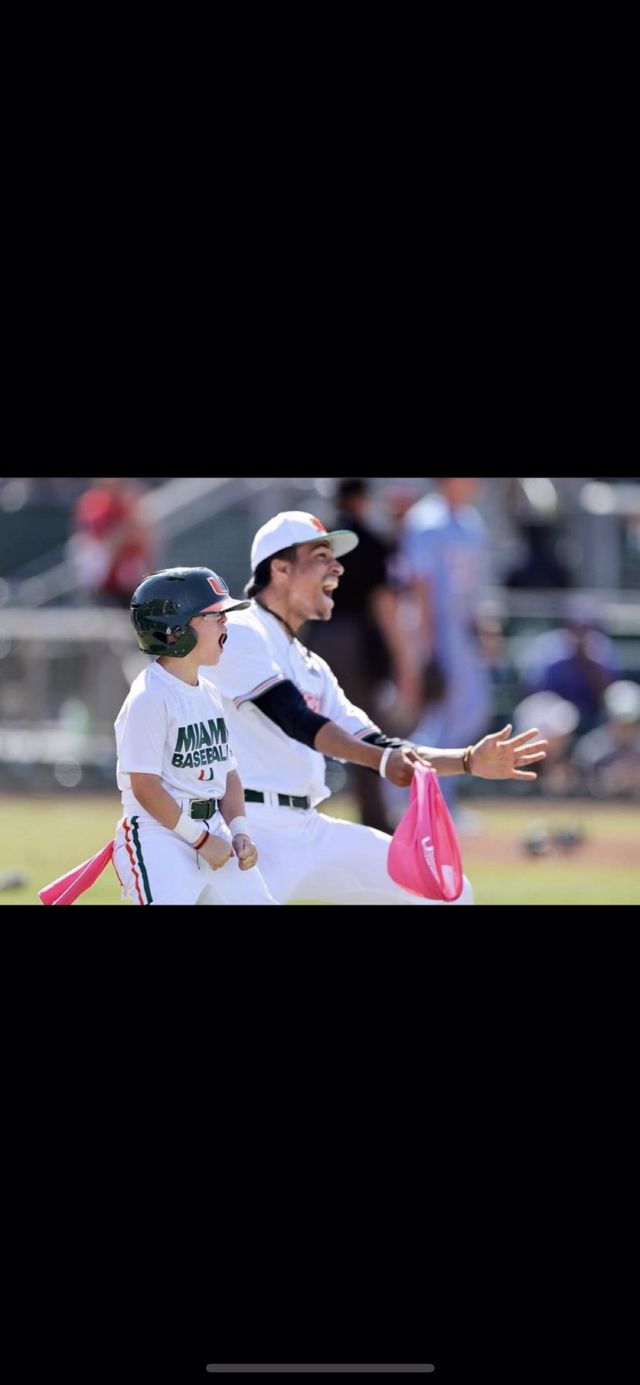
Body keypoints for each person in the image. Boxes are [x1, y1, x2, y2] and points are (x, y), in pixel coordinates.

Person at [200, 511, 548, 907]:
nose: (337, 567)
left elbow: (375, 741)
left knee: (444, 893)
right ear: (280, 568)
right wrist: (382, 761)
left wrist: (467, 760)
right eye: (320, 556)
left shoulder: (312, 666)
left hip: (309, 827)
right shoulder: (242, 629)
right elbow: (294, 717)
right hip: (249, 830)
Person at [111, 566, 277, 906]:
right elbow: (145, 786)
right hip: (159, 835)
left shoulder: (210, 693)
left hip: (213, 829)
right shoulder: (150, 696)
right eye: (214, 615)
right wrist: (200, 840)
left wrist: (240, 831)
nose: (225, 623)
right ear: (175, 630)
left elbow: (228, 774)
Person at [304, 478, 421, 831]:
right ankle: (375, 820)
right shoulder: (369, 540)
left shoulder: (314, 541)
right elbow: (384, 604)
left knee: (301, 726)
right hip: (356, 642)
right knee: (362, 730)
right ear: (362, 500)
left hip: (315, 636)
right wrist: (405, 662)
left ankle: (295, 813)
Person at [386, 477, 496, 820]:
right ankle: (409, 792)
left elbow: (474, 585)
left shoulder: (470, 521)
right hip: (435, 626)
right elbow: (420, 584)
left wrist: (482, 626)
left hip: (460, 626)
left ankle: (412, 791)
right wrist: (427, 646)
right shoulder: (426, 519)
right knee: (442, 716)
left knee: (467, 711)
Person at [68, 477, 155, 607]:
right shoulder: (94, 503)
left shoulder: (130, 502)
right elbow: (98, 544)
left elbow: (146, 538)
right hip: (104, 581)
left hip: (129, 578)